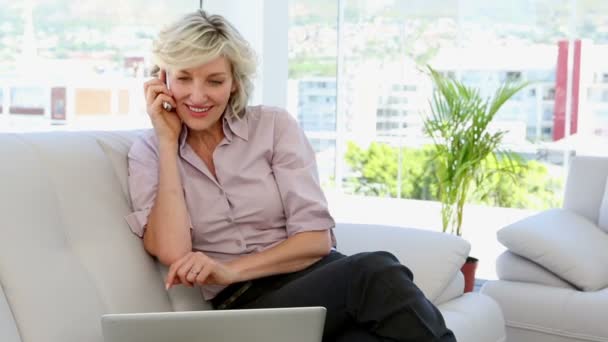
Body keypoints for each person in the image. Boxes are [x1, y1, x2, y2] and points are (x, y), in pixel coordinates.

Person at [125, 9, 456, 342]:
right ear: (161, 80)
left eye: (215, 80)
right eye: (183, 78)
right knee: (377, 271)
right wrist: (168, 144)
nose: (198, 96)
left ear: (235, 83)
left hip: (320, 279)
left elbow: (316, 240)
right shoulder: (150, 151)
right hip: (245, 306)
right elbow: (173, 251)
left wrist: (230, 269)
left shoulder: (273, 126)